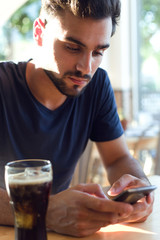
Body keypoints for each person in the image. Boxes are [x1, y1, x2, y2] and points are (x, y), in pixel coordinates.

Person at [0, 0, 154, 237]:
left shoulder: (97, 86)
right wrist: (45, 212)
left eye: (99, 52)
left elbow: (117, 158)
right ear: (39, 32)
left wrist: (138, 188)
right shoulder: (3, 85)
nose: (86, 68)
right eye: (72, 47)